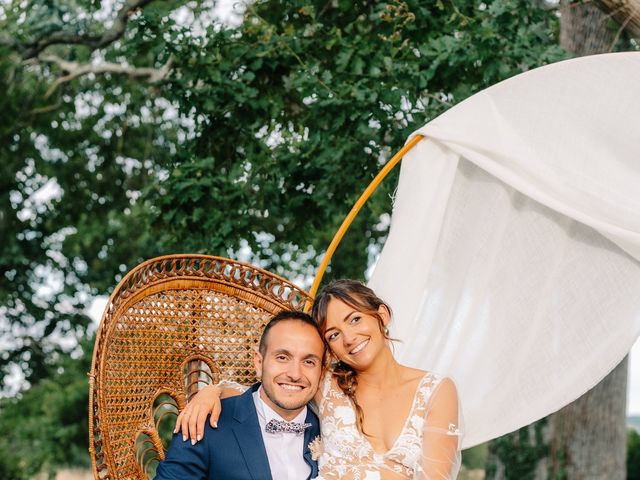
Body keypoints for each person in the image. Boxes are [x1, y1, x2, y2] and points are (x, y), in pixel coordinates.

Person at [177, 280, 463, 479]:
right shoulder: (327, 386)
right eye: (334, 335)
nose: (349, 339)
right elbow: (268, 389)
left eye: (355, 320)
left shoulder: (435, 391)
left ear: (382, 315)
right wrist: (210, 392)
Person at [156, 310, 325, 480]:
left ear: (321, 372)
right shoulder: (204, 424)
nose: (295, 374)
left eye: (309, 362)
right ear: (259, 363)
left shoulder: (331, 429)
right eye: (282, 357)